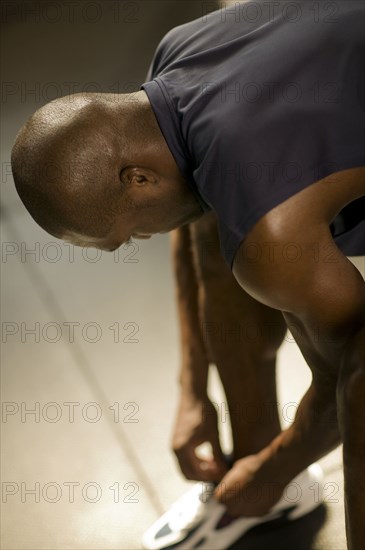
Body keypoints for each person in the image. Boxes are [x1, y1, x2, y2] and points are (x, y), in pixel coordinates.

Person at [11, 1, 364, 548]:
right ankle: (263, 484)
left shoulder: (273, 231)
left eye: (128, 234)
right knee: (219, 231)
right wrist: (192, 389)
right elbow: (196, 224)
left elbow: (347, 380)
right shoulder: (179, 51)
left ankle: (272, 484)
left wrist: (271, 473)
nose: (142, 240)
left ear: (137, 178)